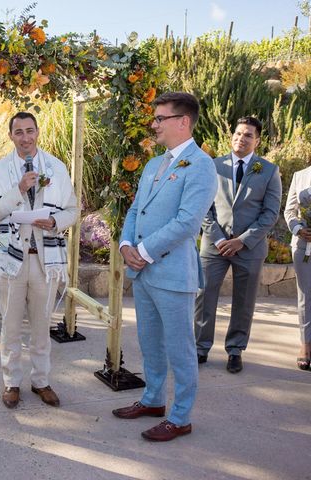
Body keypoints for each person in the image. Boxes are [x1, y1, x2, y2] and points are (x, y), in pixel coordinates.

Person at [113, 92, 217, 442]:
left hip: (173, 275)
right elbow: (134, 210)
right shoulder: (153, 164)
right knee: (149, 341)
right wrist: (126, 245)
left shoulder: (201, 165)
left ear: (183, 121)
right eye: (155, 118)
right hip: (143, 271)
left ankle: (180, 416)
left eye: (161, 118)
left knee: (180, 348)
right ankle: (153, 400)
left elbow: (188, 222)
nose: (154, 124)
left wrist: (142, 249)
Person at [0, 111, 79, 409]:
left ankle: (41, 381)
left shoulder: (57, 168)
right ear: (10, 136)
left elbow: (73, 210)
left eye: (30, 131)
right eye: (19, 132)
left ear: (38, 133)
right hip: (11, 261)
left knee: (41, 325)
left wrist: (54, 222)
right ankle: (11, 382)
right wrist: (19, 190)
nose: (25, 137)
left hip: (45, 260)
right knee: (10, 326)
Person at [194, 117, 281, 373]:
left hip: (249, 249)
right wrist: (220, 238)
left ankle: (235, 350)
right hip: (214, 246)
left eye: (247, 135)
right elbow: (203, 207)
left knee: (244, 301)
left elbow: (270, 213)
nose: (240, 139)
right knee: (204, 295)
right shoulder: (213, 166)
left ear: (257, 140)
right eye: (238, 133)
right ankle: (200, 348)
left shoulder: (268, 170)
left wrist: (241, 242)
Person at [284, 165, 311, 370]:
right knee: (306, 297)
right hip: (303, 246)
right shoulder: (300, 175)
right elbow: (289, 211)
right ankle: (306, 346)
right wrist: (298, 229)